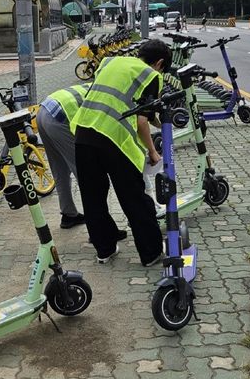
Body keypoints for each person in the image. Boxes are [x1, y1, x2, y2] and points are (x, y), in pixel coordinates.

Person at [71, 39, 172, 266]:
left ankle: (104, 250)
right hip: (114, 141)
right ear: (160, 63)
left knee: (93, 198)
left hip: (84, 133)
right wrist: (153, 152)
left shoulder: (110, 62)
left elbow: (123, 101)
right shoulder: (150, 75)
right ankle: (151, 253)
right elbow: (141, 122)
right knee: (134, 198)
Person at [36, 84, 90, 229]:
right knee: (85, 174)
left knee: (59, 169)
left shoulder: (94, 86)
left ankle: (68, 215)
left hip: (43, 111)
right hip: (59, 118)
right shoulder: (108, 98)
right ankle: (97, 228)